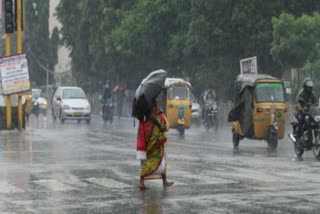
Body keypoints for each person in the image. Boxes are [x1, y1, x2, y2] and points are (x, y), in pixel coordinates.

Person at [136, 100, 174, 190]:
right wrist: (160, 125)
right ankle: (141, 181)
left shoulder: (150, 100)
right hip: (152, 134)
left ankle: (164, 181)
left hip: (153, 133)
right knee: (148, 158)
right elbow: (151, 116)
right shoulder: (149, 102)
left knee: (162, 156)